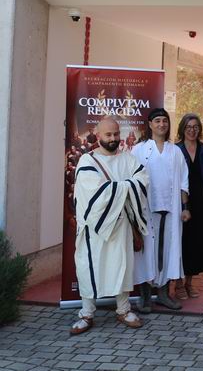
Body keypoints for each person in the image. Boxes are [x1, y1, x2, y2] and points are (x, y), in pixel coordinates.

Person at [70, 117, 149, 335]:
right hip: (95, 229)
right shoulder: (87, 160)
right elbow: (92, 191)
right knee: (89, 268)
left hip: (121, 227)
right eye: (108, 134)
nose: (113, 138)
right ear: (98, 135)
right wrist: (125, 187)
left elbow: (142, 180)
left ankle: (123, 310)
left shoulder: (128, 159)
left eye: (116, 134)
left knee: (121, 267)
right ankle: (86, 314)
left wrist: (116, 188)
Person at [132, 108, 190, 312]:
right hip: (146, 211)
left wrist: (185, 207)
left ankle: (164, 294)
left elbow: (184, 182)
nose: (161, 124)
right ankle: (145, 297)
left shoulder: (175, 151)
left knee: (168, 251)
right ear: (150, 124)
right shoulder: (138, 150)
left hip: (171, 211)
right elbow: (131, 178)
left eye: (164, 121)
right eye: (157, 121)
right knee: (146, 252)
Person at [174, 113, 203, 300]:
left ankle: (189, 283)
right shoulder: (176, 150)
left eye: (196, 126)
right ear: (182, 129)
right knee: (181, 242)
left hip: (201, 202)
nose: (192, 130)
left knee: (196, 243)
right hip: (181, 202)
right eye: (188, 127)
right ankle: (178, 283)